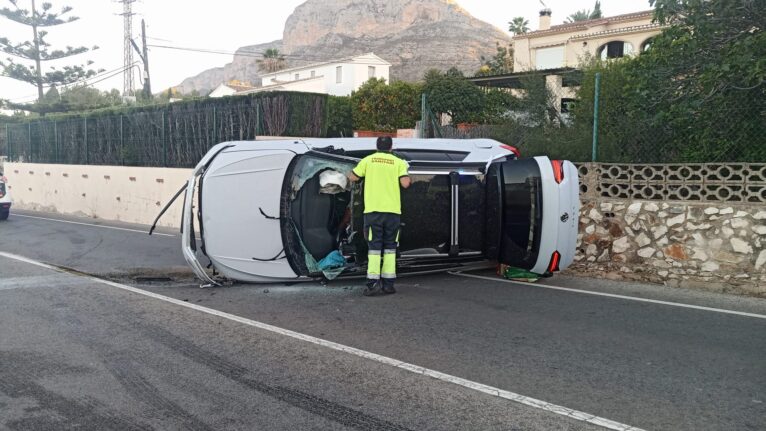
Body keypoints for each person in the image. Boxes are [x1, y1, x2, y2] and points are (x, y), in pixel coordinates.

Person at [348, 136, 411, 296]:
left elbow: (353, 177)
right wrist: (407, 172)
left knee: (374, 249)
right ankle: (389, 285)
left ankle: (373, 284)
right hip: (393, 213)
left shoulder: (368, 160)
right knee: (390, 248)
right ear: (391, 147)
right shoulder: (398, 162)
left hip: (373, 212)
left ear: (377, 146)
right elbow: (405, 183)